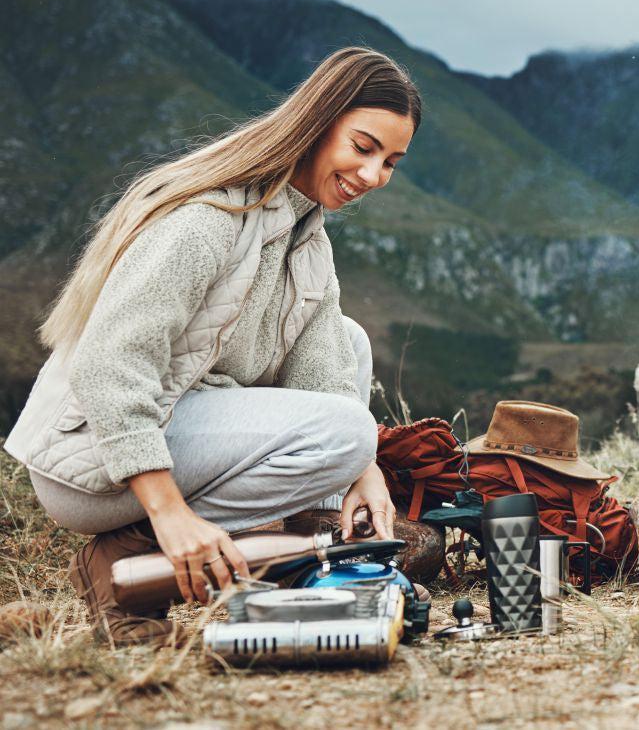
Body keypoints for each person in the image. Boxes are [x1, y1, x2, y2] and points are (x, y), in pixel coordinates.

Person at [4, 47, 421, 646]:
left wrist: (365, 474)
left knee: (345, 342)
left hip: (182, 430)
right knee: (347, 429)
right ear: (317, 122)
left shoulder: (306, 236)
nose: (374, 175)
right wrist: (170, 514)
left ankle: (317, 553)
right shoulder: (208, 219)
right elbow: (109, 364)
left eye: (391, 162)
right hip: (93, 461)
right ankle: (130, 548)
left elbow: (323, 367)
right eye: (363, 147)